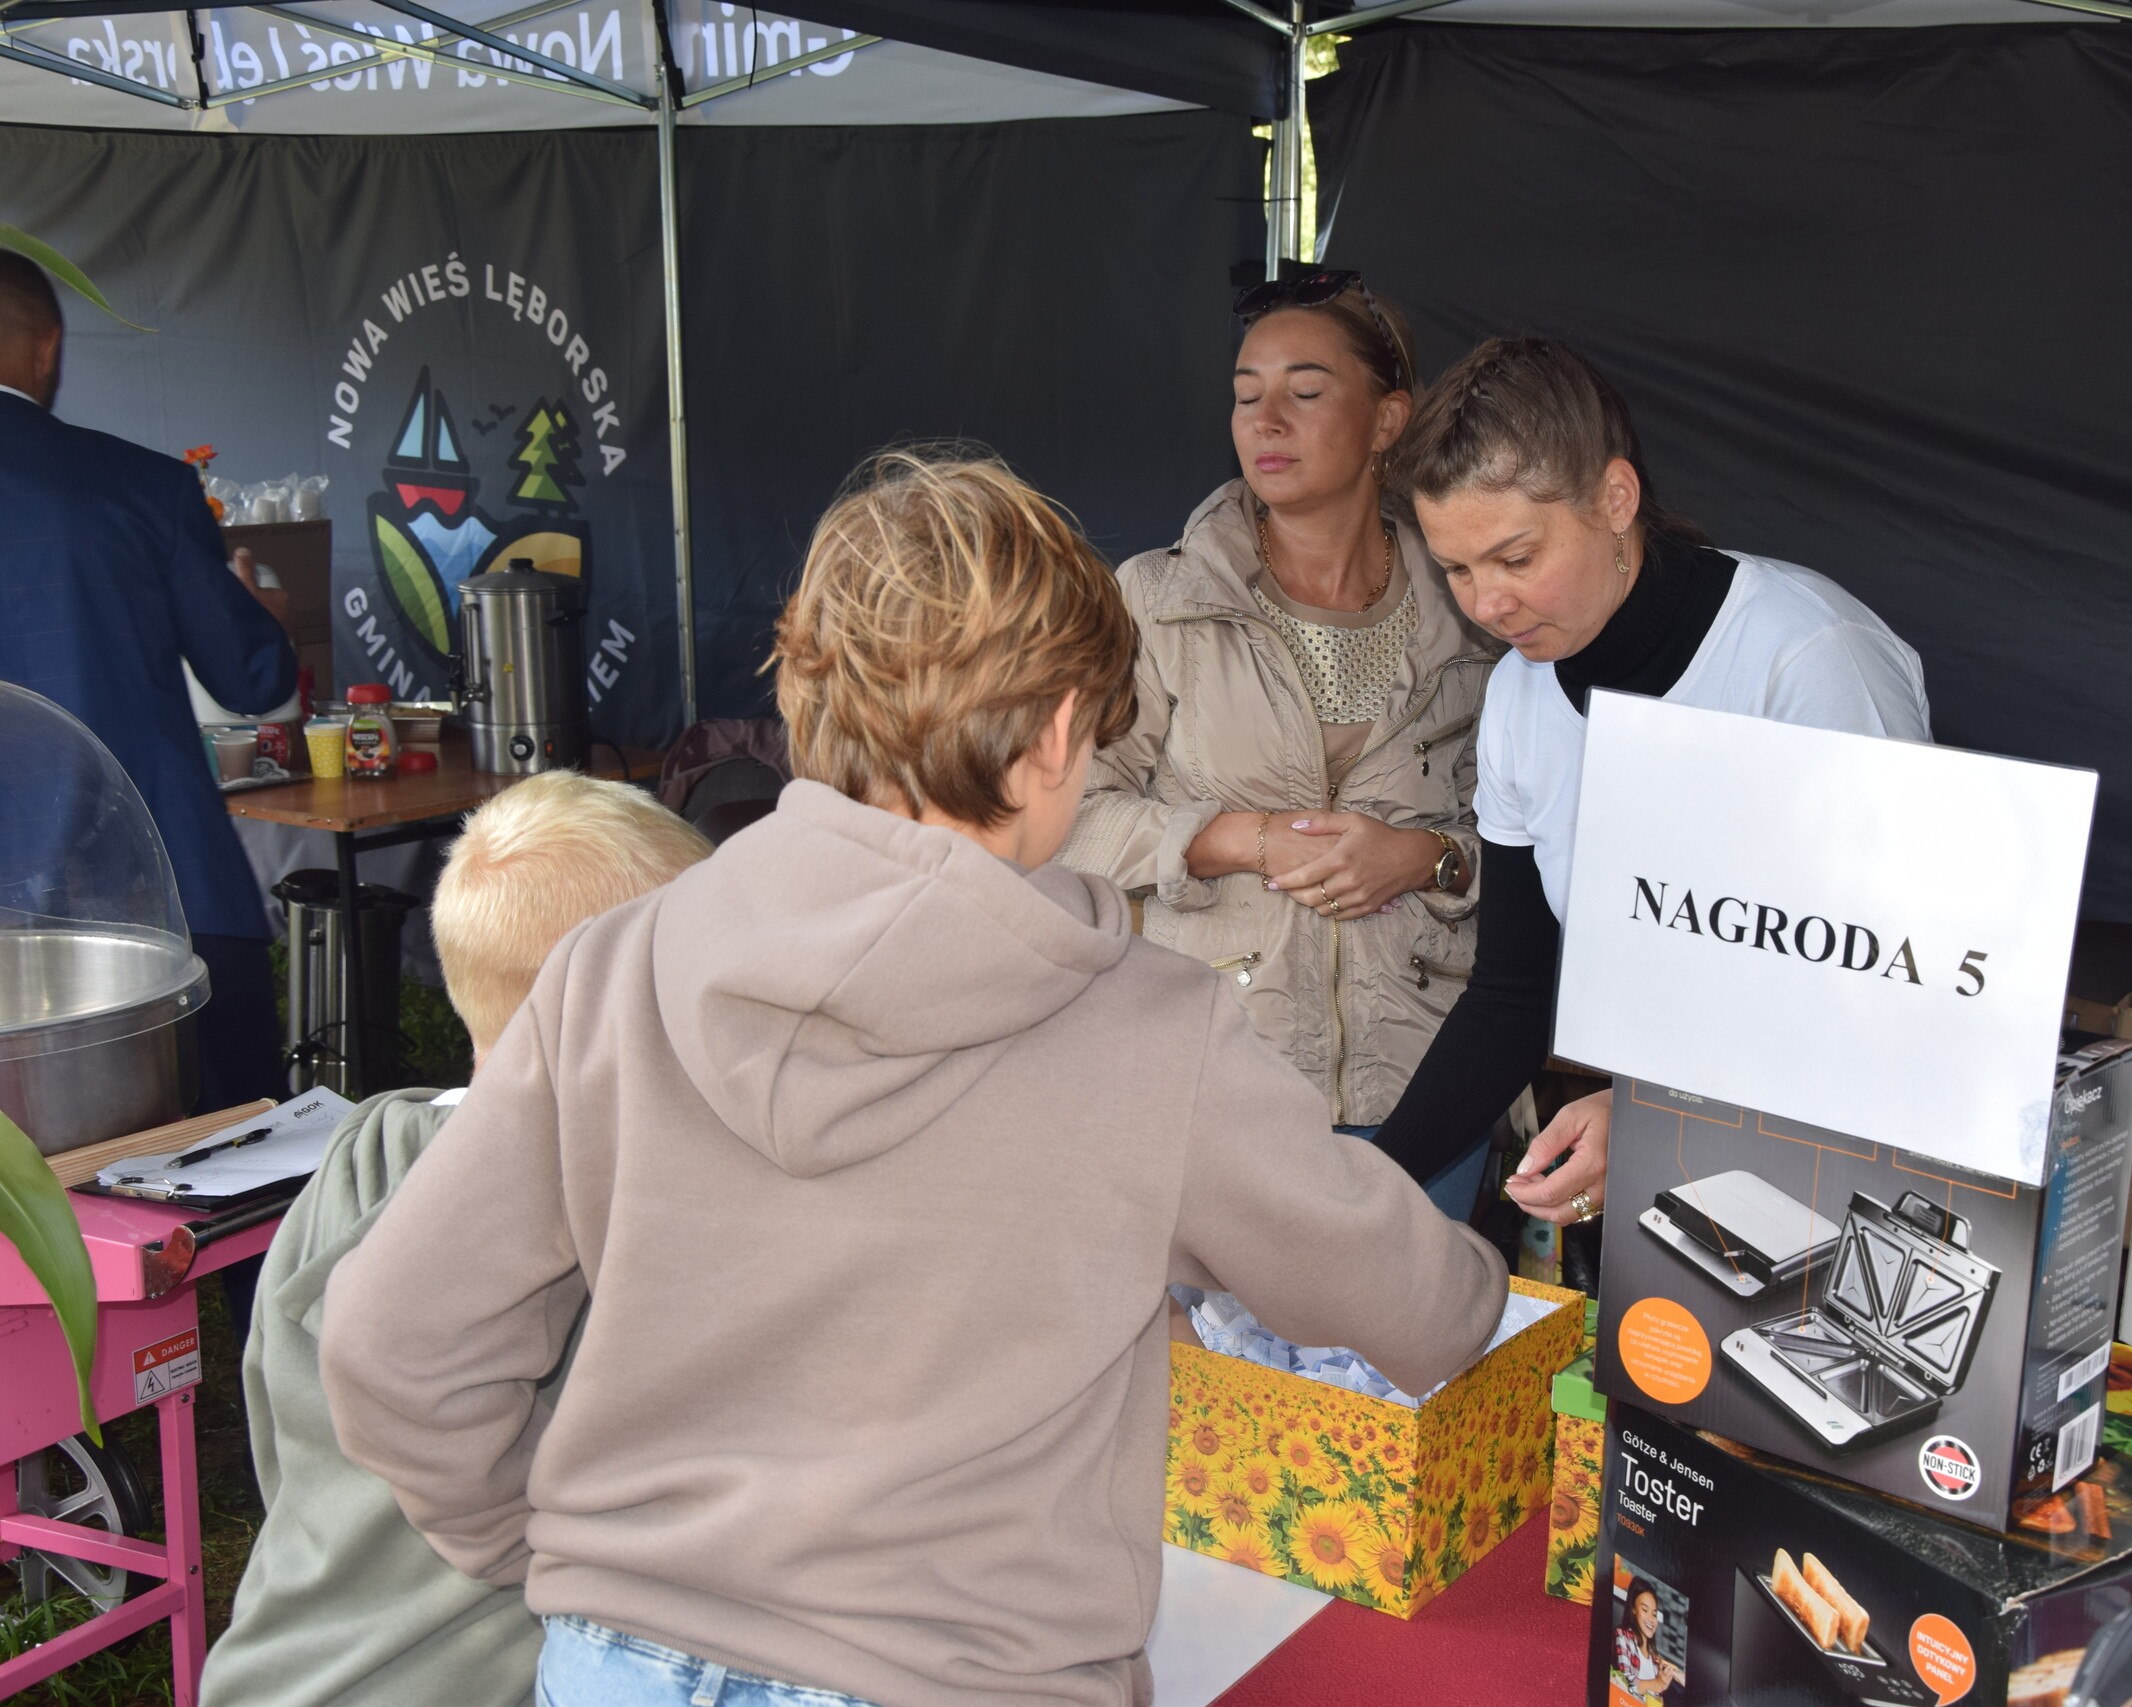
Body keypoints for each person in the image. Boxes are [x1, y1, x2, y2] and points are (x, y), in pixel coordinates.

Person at [318, 452, 1508, 1707]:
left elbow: (393, 1342)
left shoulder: (610, 969)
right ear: (1057, 735)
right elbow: (1423, 1308)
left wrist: (557, 1556)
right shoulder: (1153, 1033)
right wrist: (1486, 1276)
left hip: (618, 1665)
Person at [1370, 337, 1931, 1227]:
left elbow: (1897, 992)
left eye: (1516, 558)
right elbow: (1514, 994)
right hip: (1675, 1180)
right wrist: (1365, 1184)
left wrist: (1659, 1115)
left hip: (1853, 1184)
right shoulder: (1518, 696)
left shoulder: (1807, 659)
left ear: (1616, 499)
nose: (1486, 605)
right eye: (1457, 569)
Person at [200, 772, 711, 1707]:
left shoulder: (361, 1152)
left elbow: (276, 1430)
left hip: (279, 1672)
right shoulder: (605, 1210)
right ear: (619, 1010)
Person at [1061, 270, 1499, 1217]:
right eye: (1245, 394)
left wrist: (1428, 857)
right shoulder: (1159, 600)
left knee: (1419, 1313)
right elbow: (1065, 820)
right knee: (1229, 1321)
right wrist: (1244, 839)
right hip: (1222, 1075)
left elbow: (1539, 850)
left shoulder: (1471, 604)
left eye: (1304, 391)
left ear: (1387, 421)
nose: (1265, 420)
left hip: (1428, 1077)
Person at [0, 249, 297, 1117]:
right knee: (235, 1153)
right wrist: (266, 614)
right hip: (162, 896)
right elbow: (252, 675)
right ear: (47, 347)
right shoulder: (143, 486)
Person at [1612, 1580, 1686, 1702]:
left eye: (1654, 1614)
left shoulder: (1655, 1658)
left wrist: (1675, 1675)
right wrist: (1657, 1684)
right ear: (1633, 1609)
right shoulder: (1623, 1636)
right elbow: (1623, 1681)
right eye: (1645, 1610)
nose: (1651, 1619)